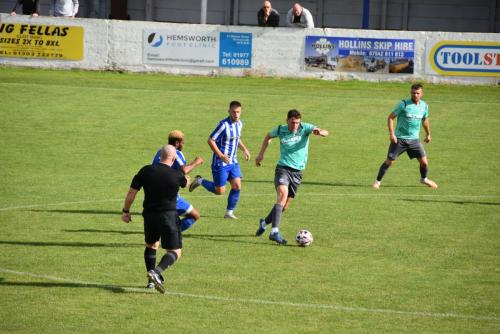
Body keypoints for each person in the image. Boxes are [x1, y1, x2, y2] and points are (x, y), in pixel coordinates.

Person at [255, 109, 328, 244]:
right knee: (282, 195)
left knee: (284, 206)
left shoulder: (305, 127)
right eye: (293, 122)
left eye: (297, 123)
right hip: (283, 169)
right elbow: (268, 137)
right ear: (287, 120)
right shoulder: (280, 129)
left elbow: (324, 131)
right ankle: (274, 232)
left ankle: (264, 223)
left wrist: (320, 132)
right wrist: (261, 155)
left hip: (298, 173)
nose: (295, 125)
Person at [121, 145, 188, 294]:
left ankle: (151, 282)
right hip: (168, 216)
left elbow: (132, 192)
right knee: (175, 251)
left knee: (151, 245)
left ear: (159, 156)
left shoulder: (145, 171)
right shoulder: (176, 175)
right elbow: (185, 183)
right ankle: (156, 272)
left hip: (149, 215)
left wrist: (126, 211)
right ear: (174, 158)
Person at [189, 101, 251, 220]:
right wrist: (221, 155)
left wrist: (244, 149)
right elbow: (211, 140)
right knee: (220, 191)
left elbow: (237, 138)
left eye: (238, 112)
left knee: (237, 186)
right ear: (229, 112)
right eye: (234, 112)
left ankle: (229, 213)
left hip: (233, 162)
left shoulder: (240, 124)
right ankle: (200, 181)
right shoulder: (223, 125)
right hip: (220, 163)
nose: (236, 114)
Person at [372, 83, 438, 189]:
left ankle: (424, 179)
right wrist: (392, 134)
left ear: (422, 94)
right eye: (413, 93)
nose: (415, 95)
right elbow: (390, 118)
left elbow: (425, 120)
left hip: (414, 141)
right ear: (410, 93)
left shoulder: (424, 106)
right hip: (400, 140)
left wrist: (428, 134)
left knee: (424, 163)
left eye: (417, 93)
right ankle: (377, 182)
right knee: (390, 162)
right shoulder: (403, 104)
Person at [152, 130, 204, 232]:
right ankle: (173, 234)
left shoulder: (161, 152)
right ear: (177, 143)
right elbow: (184, 170)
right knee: (195, 215)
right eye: (182, 142)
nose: (183, 144)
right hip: (170, 196)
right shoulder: (176, 153)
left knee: (169, 216)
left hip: (153, 194)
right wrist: (196, 162)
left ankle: (168, 231)